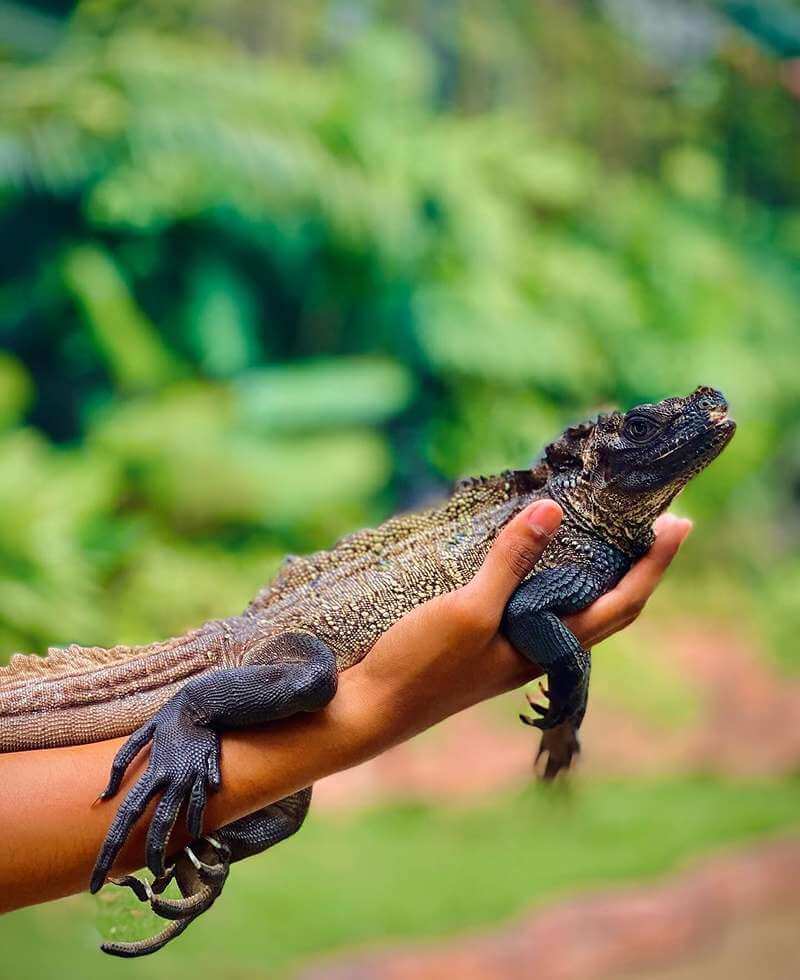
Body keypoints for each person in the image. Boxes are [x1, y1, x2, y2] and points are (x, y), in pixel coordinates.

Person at [0, 500, 691, 914]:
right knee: (303, 702)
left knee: (282, 808)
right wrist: (382, 706)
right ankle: (189, 718)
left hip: (271, 657)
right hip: (272, 661)